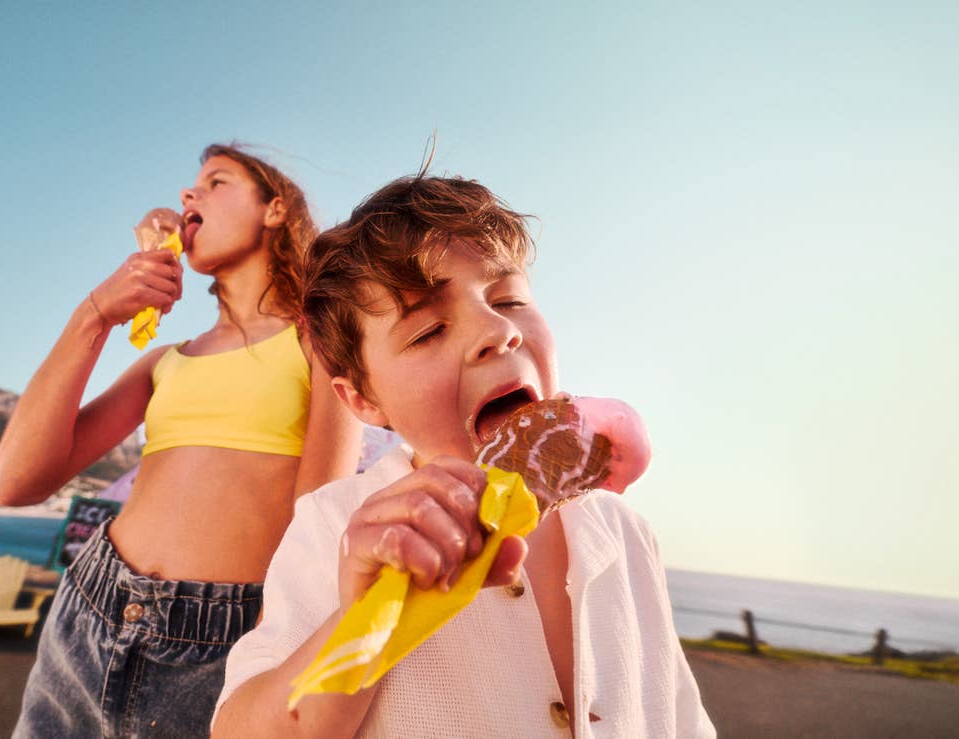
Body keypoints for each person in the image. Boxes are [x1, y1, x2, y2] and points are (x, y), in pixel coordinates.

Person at [211, 174, 715, 737]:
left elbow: (681, 716)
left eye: (510, 299)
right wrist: (361, 619)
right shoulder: (336, 526)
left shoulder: (624, 531)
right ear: (362, 398)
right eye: (428, 331)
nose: (497, 331)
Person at [0, 144, 363, 738]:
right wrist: (96, 314)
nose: (188, 195)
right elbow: (14, 481)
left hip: (227, 643)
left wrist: (271, 651)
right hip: (90, 610)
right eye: (189, 186)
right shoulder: (167, 361)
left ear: (275, 209)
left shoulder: (317, 343)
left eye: (215, 182)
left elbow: (320, 521)